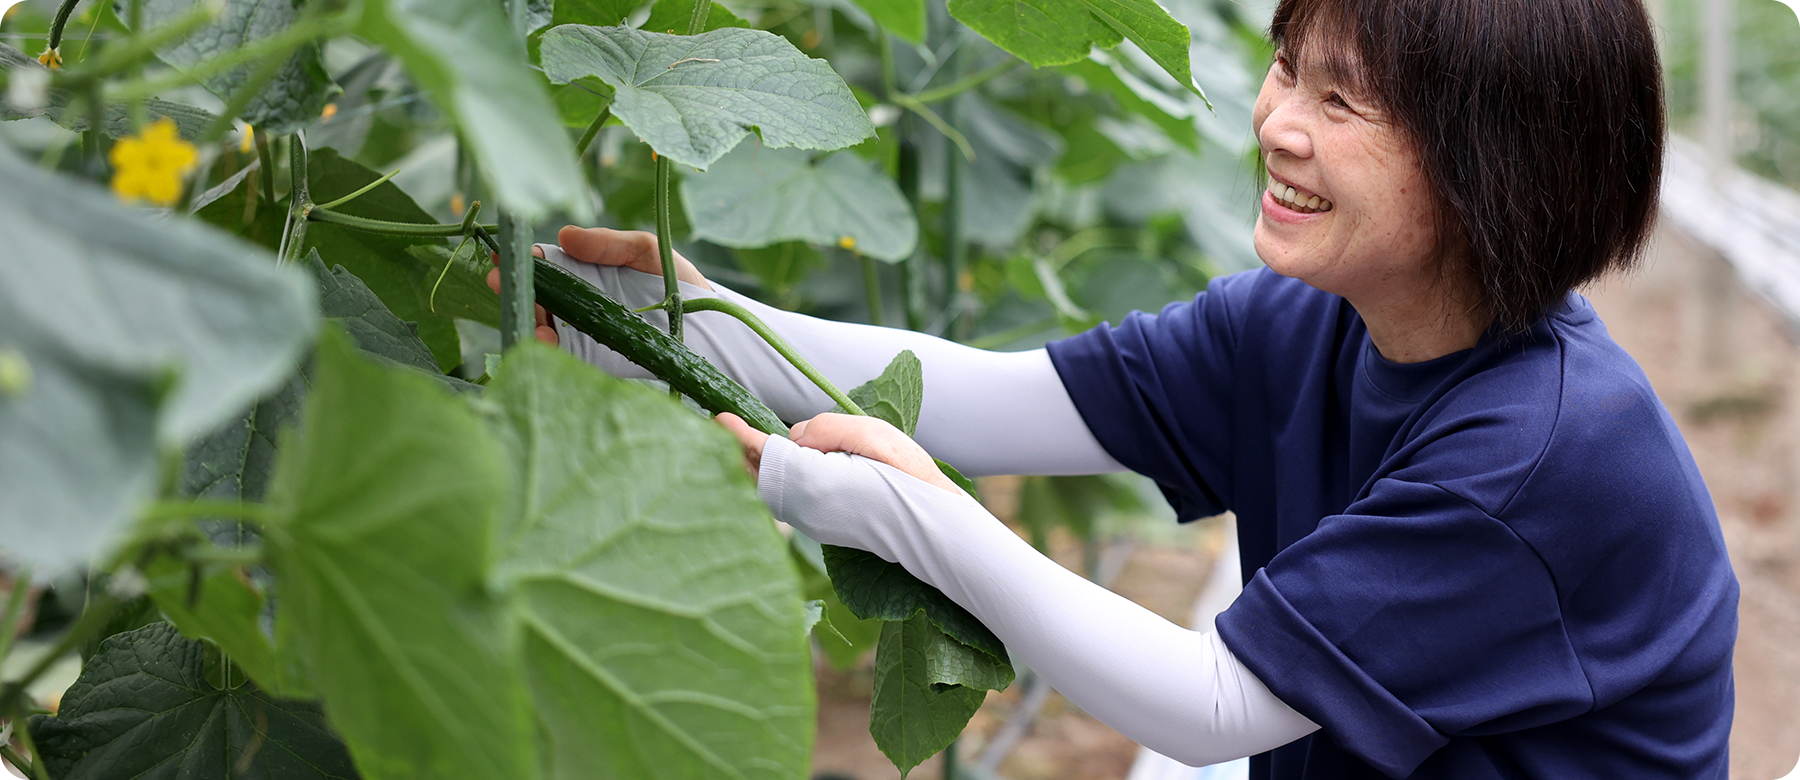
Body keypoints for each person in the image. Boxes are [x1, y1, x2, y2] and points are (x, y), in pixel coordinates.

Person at [492, 0, 1738, 776]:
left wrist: (907, 517)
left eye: (1342, 99)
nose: (1279, 123)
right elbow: (989, 400)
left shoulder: (1547, 458)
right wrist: (685, 323)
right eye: (1288, 66)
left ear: (1497, 163)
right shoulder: (1306, 322)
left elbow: (1209, 706)